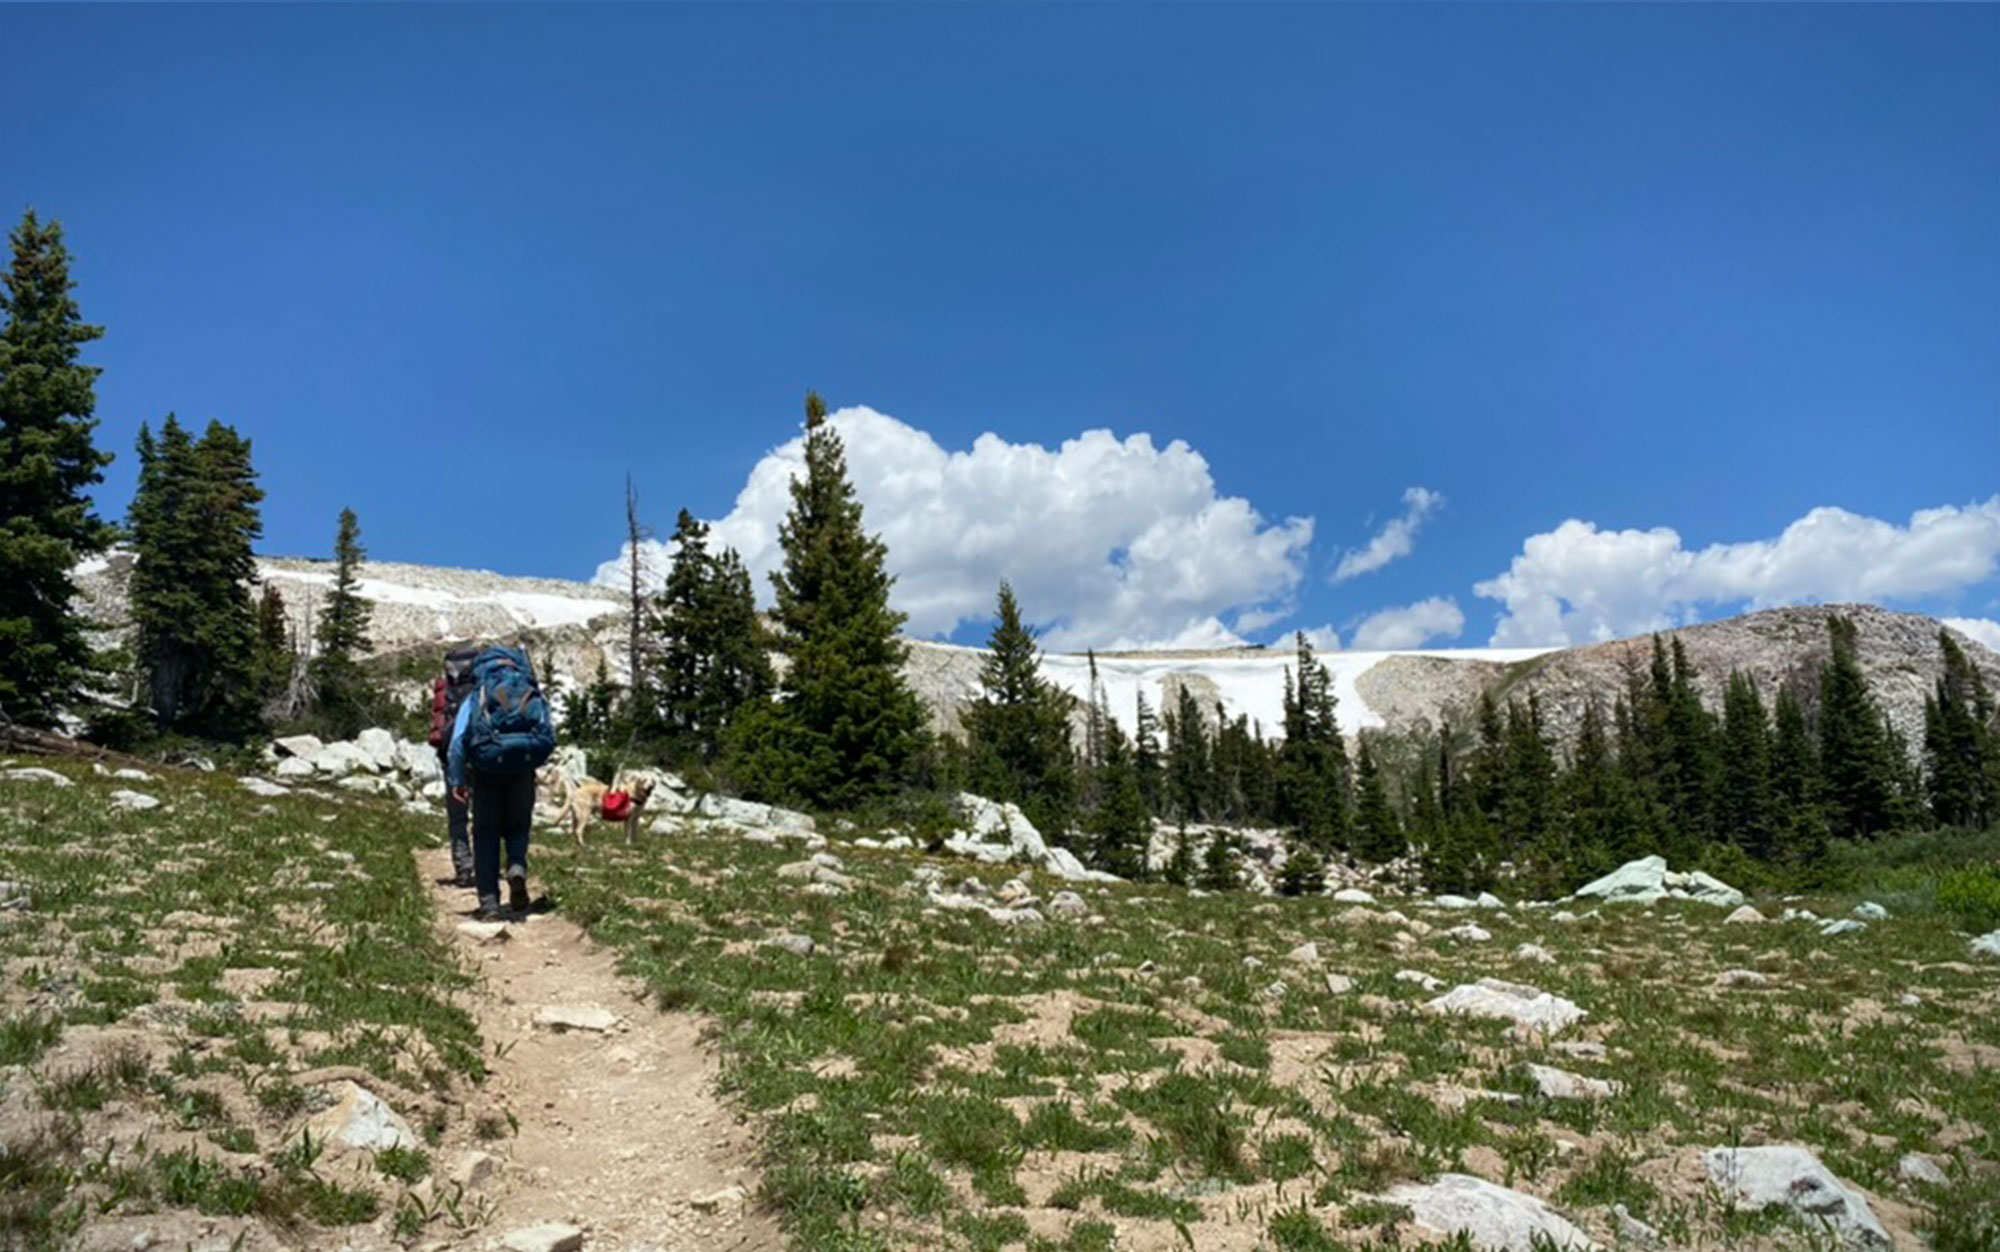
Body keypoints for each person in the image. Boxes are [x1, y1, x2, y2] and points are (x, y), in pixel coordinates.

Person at [446, 643, 557, 920]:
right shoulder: (529, 690)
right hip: (522, 770)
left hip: (485, 772)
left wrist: (458, 781)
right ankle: (517, 867)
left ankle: (490, 903)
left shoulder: (477, 693)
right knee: (519, 827)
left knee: (485, 835)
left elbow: (457, 743)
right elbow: (548, 732)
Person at [429, 647, 482, 888]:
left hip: (451, 759)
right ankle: (485, 865)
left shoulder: (446, 690)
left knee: (457, 817)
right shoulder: (483, 687)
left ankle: (463, 867)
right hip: (482, 758)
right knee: (484, 815)